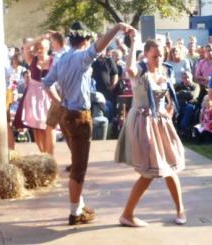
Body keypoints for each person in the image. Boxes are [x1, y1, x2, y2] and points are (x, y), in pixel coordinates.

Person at [42, 21, 131, 226]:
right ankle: (75, 212)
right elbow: (100, 46)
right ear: (85, 40)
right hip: (80, 116)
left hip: (66, 115)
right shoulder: (82, 58)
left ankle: (79, 205)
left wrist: (58, 101)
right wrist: (117, 27)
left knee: (76, 161)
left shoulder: (62, 59)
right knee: (79, 168)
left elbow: (46, 84)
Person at [115, 35, 186, 227]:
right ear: (146, 55)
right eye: (154, 56)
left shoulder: (165, 71)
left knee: (171, 166)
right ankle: (127, 214)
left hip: (161, 122)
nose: (158, 59)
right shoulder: (140, 70)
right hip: (142, 123)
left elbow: (165, 97)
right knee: (150, 172)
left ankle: (180, 208)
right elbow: (129, 70)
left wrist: (170, 108)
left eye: (161, 55)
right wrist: (132, 46)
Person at [21, 36, 54, 154]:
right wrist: (39, 38)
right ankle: (42, 152)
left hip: (47, 93)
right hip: (33, 94)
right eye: (38, 47)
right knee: (36, 125)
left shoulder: (53, 60)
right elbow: (26, 47)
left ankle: (49, 153)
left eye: (42, 47)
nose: (39, 50)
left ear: (47, 48)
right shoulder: (32, 59)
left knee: (47, 125)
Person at [91, 49, 120, 122]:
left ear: (105, 51)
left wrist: (113, 85)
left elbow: (115, 74)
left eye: (102, 50)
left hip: (107, 90)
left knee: (109, 109)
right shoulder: (93, 62)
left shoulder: (109, 61)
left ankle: (110, 125)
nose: (100, 52)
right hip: (96, 91)